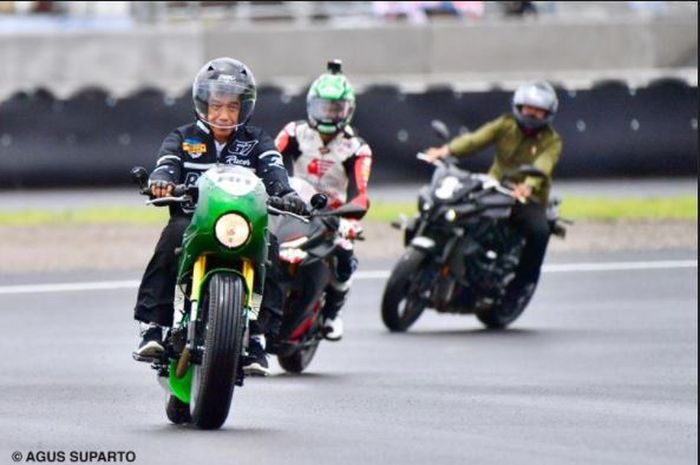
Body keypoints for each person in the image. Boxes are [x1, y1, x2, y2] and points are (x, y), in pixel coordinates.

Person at [133, 57, 309, 376]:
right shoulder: (183, 137)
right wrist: (161, 182)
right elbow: (166, 164)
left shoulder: (257, 140)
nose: (224, 114)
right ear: (203, 104)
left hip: (244, 224)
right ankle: (152, 325)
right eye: (216, 106)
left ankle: (257, 336)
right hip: (193, 221)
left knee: (271, 246)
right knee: (170, 238)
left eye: (232, 106)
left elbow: (274, 170)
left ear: (245, 108)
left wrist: (287, 194)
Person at [425, 81, 562, 306]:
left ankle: (520, 287)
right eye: (528, 108)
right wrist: (446, 150)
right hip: (495, 186)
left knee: (539, 232)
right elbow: (476, 139)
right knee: (458, 207)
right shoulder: (506, 124)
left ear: (548, 114)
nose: (532, 113)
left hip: (527, 197)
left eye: (539, 111)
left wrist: (528, 185)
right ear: (519, 106)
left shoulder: (551, 140)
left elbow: (544, 164)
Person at [274, 60, 372, 341]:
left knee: (345, 254)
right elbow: (268, 162)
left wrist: (353, 215)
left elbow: (361, 192)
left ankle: (332, 314)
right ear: (310, 105)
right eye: (323, 107)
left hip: (332, 212)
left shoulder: (357, 148)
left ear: (348, 110)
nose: (329, 115)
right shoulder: (294, 132)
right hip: (294, 201)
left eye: (336, 109)